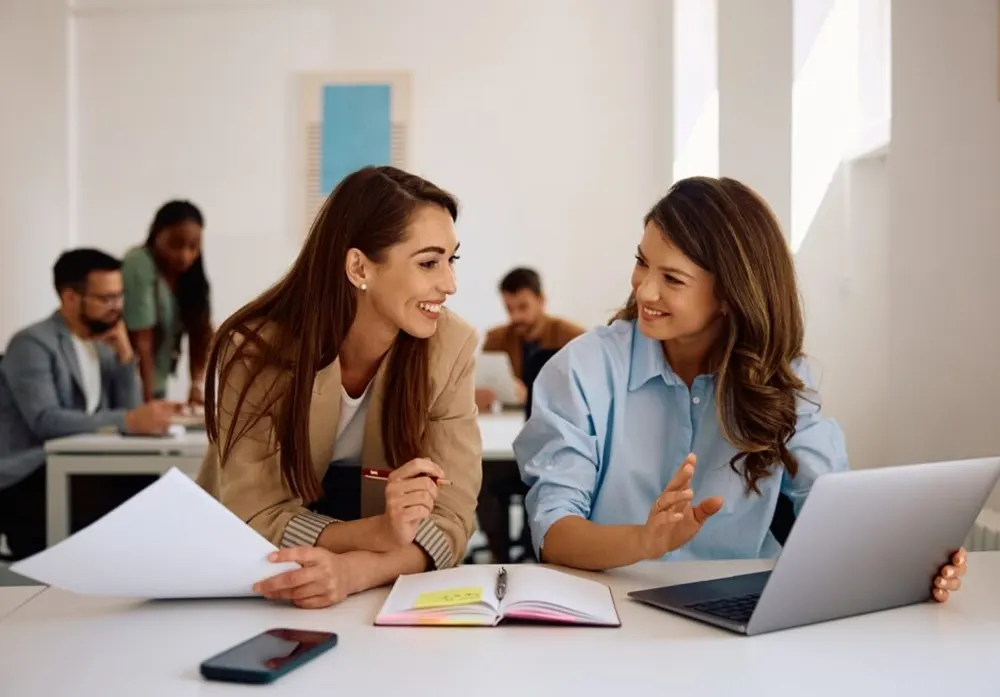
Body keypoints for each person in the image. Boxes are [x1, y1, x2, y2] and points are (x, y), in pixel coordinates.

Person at [514, 176, 966, 602]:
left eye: (672, 279)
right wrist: (643, 540)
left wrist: (912, 563)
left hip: (737, 608)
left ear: (731, 295)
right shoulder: (581, 369)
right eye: (641, 262)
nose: (644, 289)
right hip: (610, 607)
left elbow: (830, 507)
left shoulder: (782, 378)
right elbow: (554, 532)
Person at [197, 166, 482, 609]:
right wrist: (377, 535)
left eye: (452, 260)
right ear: (358, 266)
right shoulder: (259, 351)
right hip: (247, 585)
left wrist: (357, 570)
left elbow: (452, 518)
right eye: (429, 262)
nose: (449, 284)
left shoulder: (451, 346)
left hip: (362, 597)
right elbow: (257, 515)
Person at [0, 249, 181, 559]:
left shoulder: (105, 344)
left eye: (120, 297)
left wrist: (126, 360)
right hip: (29, 476)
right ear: (70, 297)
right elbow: (46, 420)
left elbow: (131, 415)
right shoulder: (32, 343)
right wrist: (129, 420)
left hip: (80, 469)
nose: (117, 308)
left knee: (157, 484)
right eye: (106, 299)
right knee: (141, 497)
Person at [122, 200, 213, 404]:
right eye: (175, 244)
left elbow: (199, 332)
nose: (185, 255)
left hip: (157, 386)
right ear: (156, 233)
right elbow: (142, 342)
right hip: (131, 389)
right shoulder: (139, 262)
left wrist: (197, 386)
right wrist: (150, 404)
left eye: (194, 246)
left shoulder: (190, 276)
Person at [479, 267, 584, 406]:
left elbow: (584, 392)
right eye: (509, 309)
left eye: (523, 307)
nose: (515, 317)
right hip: (507, 422)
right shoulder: (495, 339)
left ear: (541, 301)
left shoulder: (573, 337)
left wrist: (531, 395)